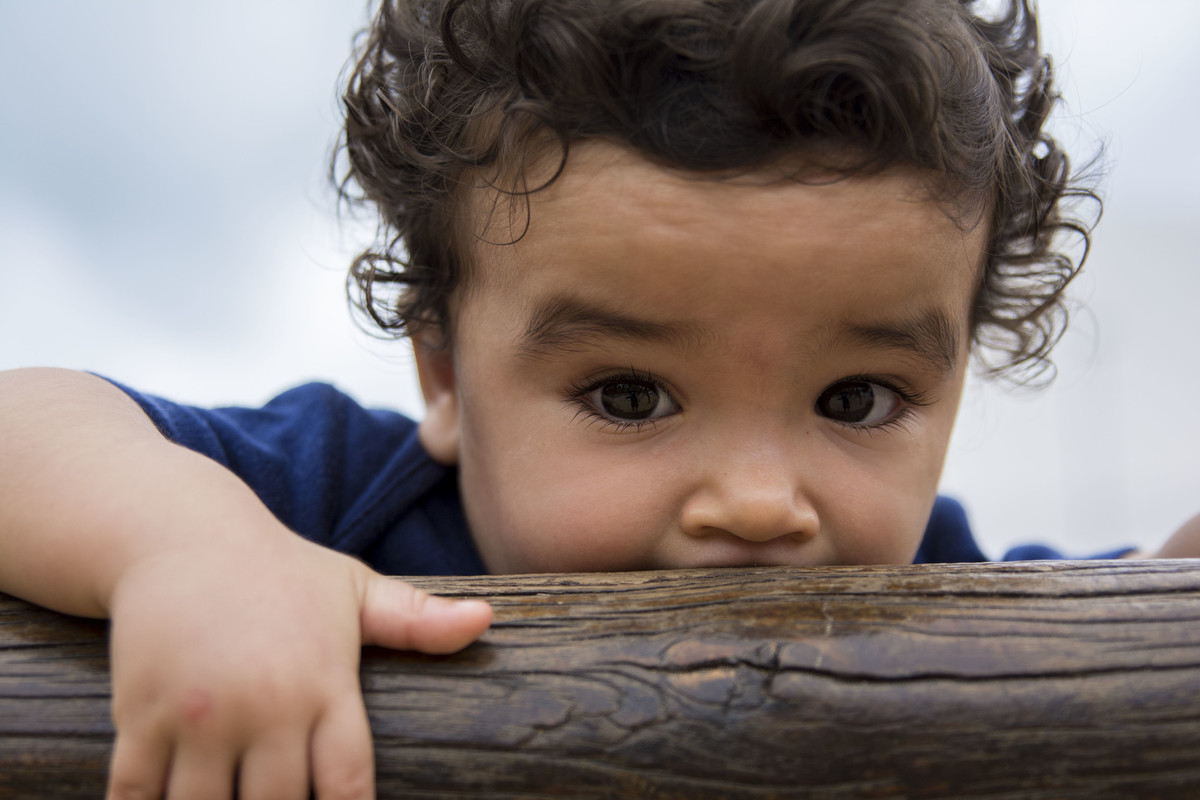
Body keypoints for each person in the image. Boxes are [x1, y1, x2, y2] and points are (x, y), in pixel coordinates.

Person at [0, 0, 1195, 798]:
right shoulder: (330, 504)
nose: (761, 501)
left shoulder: (938, 593)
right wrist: (189, 547)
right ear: (449, 376)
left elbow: (1140, 605)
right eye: (630, 395)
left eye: (857, 396)